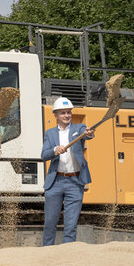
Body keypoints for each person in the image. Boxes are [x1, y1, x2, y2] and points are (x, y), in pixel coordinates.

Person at [41, 97, 94, 246]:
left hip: (75, 182)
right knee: (50, 223)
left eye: (69, 112)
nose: (66, 115)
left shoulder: (79, 129)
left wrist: (89, 133)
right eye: (63, 113)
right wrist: (54, 150)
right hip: (55, 182)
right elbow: (44, 155)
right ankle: (46, 252)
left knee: (70, 226)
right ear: (56, 115)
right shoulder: (50, 133)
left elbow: (89, 134)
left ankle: (67, 256)